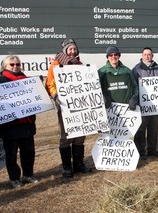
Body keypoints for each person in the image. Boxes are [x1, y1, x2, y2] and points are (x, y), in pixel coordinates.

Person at [46, 38, 92, 178]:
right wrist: (55, 96)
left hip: (80, 106)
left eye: (74, 49)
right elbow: (49, 84)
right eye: (70, 49)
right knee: (66, 137)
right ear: (65, 50)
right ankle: (67, 167)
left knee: (79, 136)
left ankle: (79, 164)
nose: (72, 51)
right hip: (64, 106)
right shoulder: (56, 64)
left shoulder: (81, 65)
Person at [0, 55, 38, 188]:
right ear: (5, 66)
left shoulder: (27, 80)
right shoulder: (1, 80)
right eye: (12, 64)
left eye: (18, 64)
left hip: (27, 124)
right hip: (9, 126)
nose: (15, 66)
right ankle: (14, 178)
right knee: (11, 154)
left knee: (29, 152)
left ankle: (28, 175)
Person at [132, 47, 158, 160]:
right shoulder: (136, 70)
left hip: (156, 106)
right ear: (142, 56)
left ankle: (152, 150)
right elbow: (133, 87)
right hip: (142, 106)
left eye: (149, 54)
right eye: (145, 54)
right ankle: (140, 152)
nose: (147, 56)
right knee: (141, 130)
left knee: (153, 128)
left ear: (152, 56)